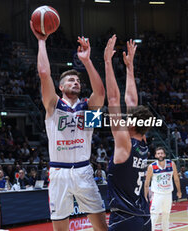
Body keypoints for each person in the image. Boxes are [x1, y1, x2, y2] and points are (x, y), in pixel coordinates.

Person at [30, 21, 107, 231]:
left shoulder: (88, 109)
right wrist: (41, 42)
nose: (76, 82)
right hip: (59, 172)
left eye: (78, 81)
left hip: (84, 171)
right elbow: (44, 73)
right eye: (71, 80)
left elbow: (100, 93)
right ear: (61, 87)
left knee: (102, 227)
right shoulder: (54, 105)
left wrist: (87, 61)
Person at [105, 35, 152, 230]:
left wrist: (107, 62)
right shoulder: (143, 142)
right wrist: (129, 67)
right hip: (144, 216)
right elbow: (131, 101)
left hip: (125, 218)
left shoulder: (124, 142)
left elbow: (114, 100)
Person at [144, 147, 182, 231]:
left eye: (161, 153)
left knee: (166, 215)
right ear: (155, 155)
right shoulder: (151, 167)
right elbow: (147, 182)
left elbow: (176, 178)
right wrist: (145, 195)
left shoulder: (171, 164)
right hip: (157, 195)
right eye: (158, 153)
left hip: (168, 194)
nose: (160, 155)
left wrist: (179, 191)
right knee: (154, 216)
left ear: (164, 154)